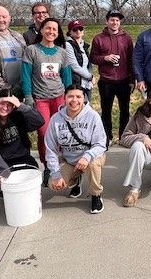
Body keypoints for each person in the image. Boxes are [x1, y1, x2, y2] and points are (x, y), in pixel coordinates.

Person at [21, 17, 72, 184]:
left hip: (59, 98)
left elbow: (67, 77)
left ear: (58, 33)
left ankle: (62, 163)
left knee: (61, 132)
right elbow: (26, 76)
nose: (51, 32)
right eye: (48, 28)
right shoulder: (31, 50)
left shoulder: (62, 53)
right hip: (41, 99)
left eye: (55, 30)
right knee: (44, 133)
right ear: (41, 30)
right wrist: (28, 97)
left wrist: (70, 97)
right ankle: (48, 165)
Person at [44, 85, 107, 214]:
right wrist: (55, 174)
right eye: (70, 96)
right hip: (71, 161)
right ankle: (76, 180)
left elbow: (101, 144)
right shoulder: (55, 119)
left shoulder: (93, 116)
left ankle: (96, 195)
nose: (74, 100)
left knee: (93, 164)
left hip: (91, 157)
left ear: (84, 98)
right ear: (64, 98)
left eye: (78, 96)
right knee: (53, 184)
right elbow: (50, 149)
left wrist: (87, 156)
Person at [0, 89, 45, 193]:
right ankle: (0, 187)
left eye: (10, 104)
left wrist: (22, 106)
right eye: (2, 103)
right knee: (3, 178)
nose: (5, 108)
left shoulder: (18, 116)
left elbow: (39, 121)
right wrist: (2, 172)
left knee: (31, 172)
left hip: (21, 158)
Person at [90, 9, 134, 146]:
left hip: (123, 80)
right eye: (112, 20)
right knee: (106, 111)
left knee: (125, 111)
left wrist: (132, 80)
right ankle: (107, 137)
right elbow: (93, 57)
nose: (114, 22)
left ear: (120, 22)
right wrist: (106, 58)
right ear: (107, 21)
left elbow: (131, 59)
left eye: (117, 20)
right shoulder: (98, 38)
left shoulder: (126, 38)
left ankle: (123, 136)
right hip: (106, 81)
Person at [65, 19, 94, 101]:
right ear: (70, 32)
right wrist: (90, 76)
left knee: (87, 108)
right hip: (77, 82)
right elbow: (74, 66)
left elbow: (88, 64)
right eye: (75, 29)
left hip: (87, 83)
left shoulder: (84, 45)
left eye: (80, 29)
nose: (78, 31)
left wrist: (90, 76)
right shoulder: (68, 45)